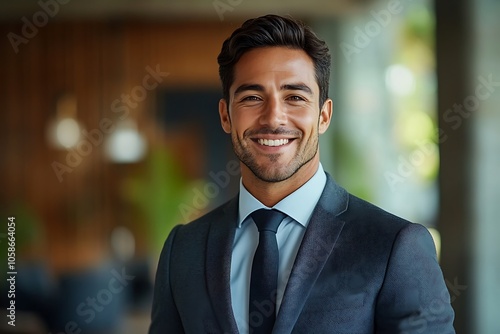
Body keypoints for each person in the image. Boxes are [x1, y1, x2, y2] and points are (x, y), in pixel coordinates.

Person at [149, 14, 455, 334]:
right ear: (226, 115)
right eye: (252, 97)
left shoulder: (395, 246)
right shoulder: (183, 249)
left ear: (323, 116)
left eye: (294, 97)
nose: (273, 117)